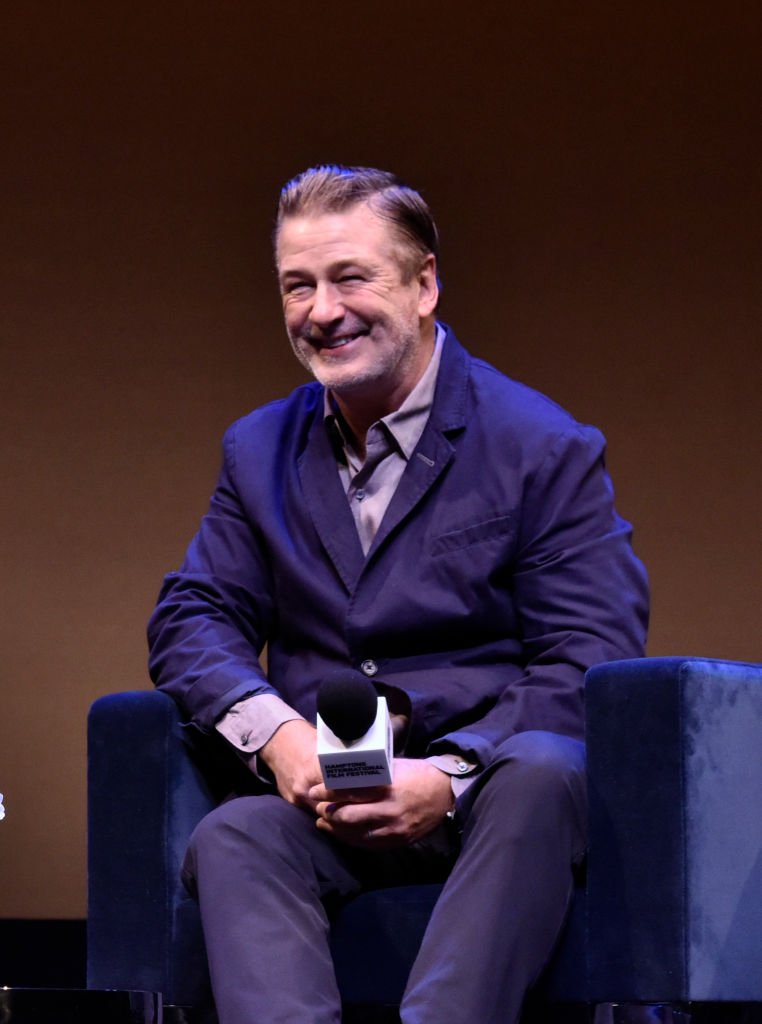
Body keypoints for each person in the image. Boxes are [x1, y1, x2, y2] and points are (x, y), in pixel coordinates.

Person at [147, 164, 649, 1024]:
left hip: (488, 795)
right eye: (296, 285)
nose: (321, 310)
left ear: (424, 285)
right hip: (328, 804)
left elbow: (591, 654)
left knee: (540, 775)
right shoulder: (257, 447)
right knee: (235, 834)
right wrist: (278, 739)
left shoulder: (541, 444)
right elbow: (192, 618)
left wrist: (449, 775)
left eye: (349, 277)